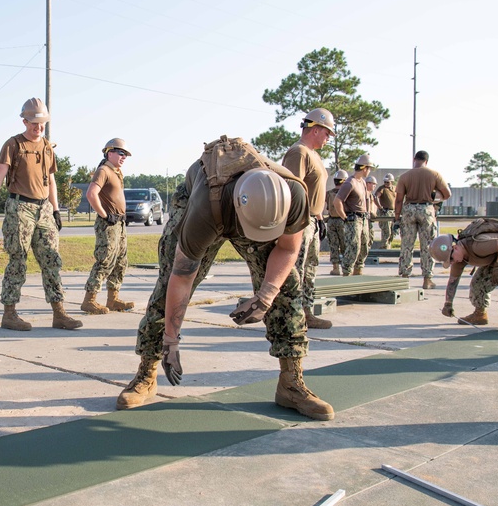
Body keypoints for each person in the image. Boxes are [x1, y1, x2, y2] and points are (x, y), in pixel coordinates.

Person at [115, 135, 334, 421]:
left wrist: (265, 296)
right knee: (167, 284)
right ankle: (148, 372)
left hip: (252, 209)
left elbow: (288, 248)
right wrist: (171, 341)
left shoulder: (293, 194)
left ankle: (290, 383)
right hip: (207, 198)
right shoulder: (204, 212)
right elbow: (181, 280)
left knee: (286, 287)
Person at [0, 98, 83, 331]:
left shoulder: (47, 146)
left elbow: (52, 180)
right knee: (18, 259)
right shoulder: (13, 145)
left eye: (42, 123)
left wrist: (56, 209)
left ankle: (59, 313)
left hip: (44, 208)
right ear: (25, 121)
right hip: (20, 208)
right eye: (34, 123)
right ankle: (9, 313)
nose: (38, 128)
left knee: (52, 259)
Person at [281, 108, 335, 329]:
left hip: (313, 219)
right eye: (327, 133)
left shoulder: (314, 155)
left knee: (310, 268)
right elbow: (292, 190)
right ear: (315, 129)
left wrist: (320, 218)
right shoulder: (299, 153)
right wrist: (298, 223)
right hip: (300, 221)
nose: (328, 138)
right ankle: (290, 317)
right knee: (296, 270)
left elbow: (314, 190)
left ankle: (305, 313)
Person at [431, 224, 498, 331]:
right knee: (478, 283)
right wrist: (448, 304)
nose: (452, 262)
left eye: (451, 259)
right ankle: (480, 314)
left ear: (455, 248)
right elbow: (453, 281)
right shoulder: (458, 260)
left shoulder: (477, 246)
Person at [81, 138, 134, 314]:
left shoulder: (116, 171)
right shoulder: (103, 170)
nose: (124, 157)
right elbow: (91, 194)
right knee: (105, 261)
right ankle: (89, 300)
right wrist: (105, 215)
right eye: (121, 153)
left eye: (125, 154)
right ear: (109, 152)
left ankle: (113, 300)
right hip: (108, 224)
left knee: (120, 262)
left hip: (119, 223)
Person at [394, 150, 452, 289]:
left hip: (409, 210)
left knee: (407, 245)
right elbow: (447, 194)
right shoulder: (434, 174)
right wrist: (435, 197)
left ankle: (404, 278)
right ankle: (427, 279)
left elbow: (399, 200)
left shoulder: (405, 176)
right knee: (428, 246)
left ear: (415, 159)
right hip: (426, 210)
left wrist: (397, 218)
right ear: (427, 161)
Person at [331, 155, 375, 276]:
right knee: (353, 247)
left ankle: (358, 271)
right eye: (369, 168)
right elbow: (337, 201)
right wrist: (344, 217)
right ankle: (347, 272)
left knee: (364, 246)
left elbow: (366, 199)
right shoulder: (350, 183)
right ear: (364, 168)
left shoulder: (363, 183)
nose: (369, 171)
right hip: (353, 218)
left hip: (364, 218)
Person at [325, 170, 348, 275]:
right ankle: (346, 267)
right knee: (345, 244)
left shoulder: (328, 193)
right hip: (343, 220)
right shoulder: (345, 194)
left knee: (333, 245)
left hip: (331, 221)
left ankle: (335, 268)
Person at [375, 173, 398, 248]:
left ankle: (388, 246)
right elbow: (376, 197)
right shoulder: (382, 189)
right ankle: (384, 247)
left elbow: (398, 199)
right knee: (386, 231)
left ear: (391, 182)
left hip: (393, 212)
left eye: (387, 182)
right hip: (385, 212)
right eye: (384, 182)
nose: (386, 184)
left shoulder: (394, 188)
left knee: (393, 231)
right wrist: (380, 208)